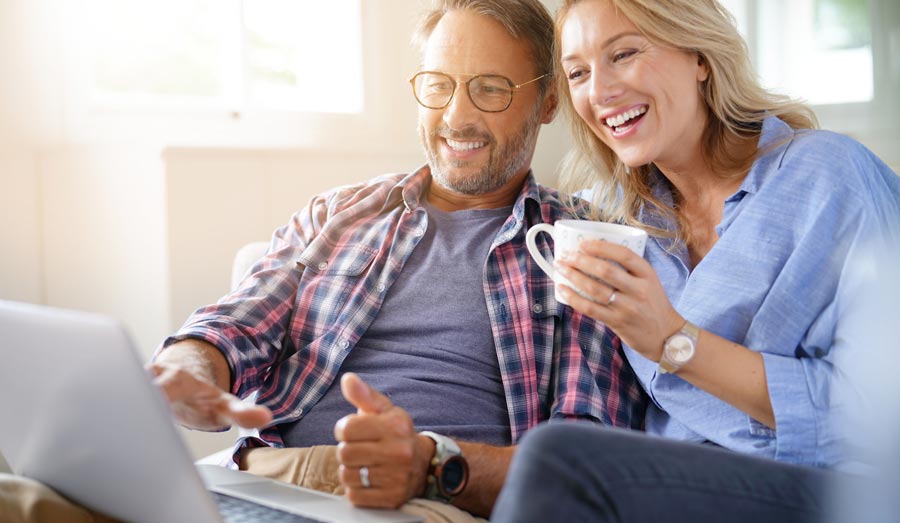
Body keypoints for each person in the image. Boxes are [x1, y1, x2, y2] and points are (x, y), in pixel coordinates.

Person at [148, 1, 646, 523]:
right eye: (438, 85)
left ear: (548, 101)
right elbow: (233, 327)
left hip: (429, 499)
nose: (457, 117)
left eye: (490, 89)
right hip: (265, 477)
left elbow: (583, 460)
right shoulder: (337, 214)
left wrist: (431, 465)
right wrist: (189, 371)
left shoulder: (579, 242)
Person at [490, 0, 900, 522]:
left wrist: (672, 340)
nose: (600, 92)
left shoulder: (830, 176)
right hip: (682, 486)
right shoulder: (615, 219)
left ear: (699, 57)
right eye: (578, 73)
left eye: (624, 54)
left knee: (557, 459)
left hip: (841, 490)